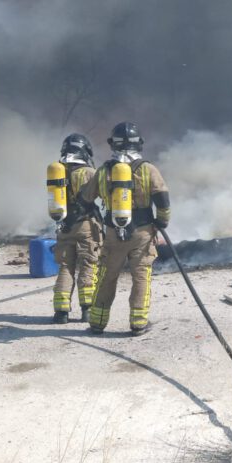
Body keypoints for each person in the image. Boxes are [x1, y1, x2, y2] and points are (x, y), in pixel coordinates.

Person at [80, 122, 171, 336]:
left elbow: (86, 198)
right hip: (142, 232)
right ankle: (138, 323)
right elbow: (163, 199)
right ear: (139, 144)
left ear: (113, 144)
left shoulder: (103, 171)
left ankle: (97, 323)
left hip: (113, 233)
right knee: (141, 275)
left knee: (106, 276)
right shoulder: (148, 169)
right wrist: (162, 222)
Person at [51, 133, 102, 324]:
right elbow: (104, 195)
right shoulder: (89, 172)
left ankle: (61, 312)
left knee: (66, 267)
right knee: (88, 264)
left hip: (64, 226)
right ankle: (87, 310)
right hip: (85, 225)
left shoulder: (58, 172)